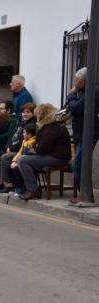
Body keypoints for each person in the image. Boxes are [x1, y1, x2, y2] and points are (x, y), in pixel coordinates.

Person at [17, 104, 71, 200]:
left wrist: (36, 147)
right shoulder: (49, 126)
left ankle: (34, 190)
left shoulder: (52, 127)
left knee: (22, 160)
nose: (37, 117)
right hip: (52, 156)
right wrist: (36, 146)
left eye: (37, 115)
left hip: (57, 158)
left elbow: (42, 148)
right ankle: (30, 189)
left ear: (42, 115)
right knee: (24, 156)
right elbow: (38, 144)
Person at [65, 67, 99, 204]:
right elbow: (68, 108)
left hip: (88, 133)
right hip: (80, 133)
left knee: (78, 164)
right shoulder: (82, 91)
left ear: (83, 80)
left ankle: (86, 194)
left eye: (76, 80)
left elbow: (76, 108)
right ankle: (85, 193)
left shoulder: (93, 91)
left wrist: (71, 96)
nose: (74, 83)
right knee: (79, 164)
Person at [0, 103, 37, 193]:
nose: (25, 114)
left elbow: (23, 141)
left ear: (33, 113)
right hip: (13, 148)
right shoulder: (21, 122)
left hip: (22, 151)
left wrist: (11, 149)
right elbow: (12, 136)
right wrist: (8, 146)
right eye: (23, 112)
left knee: (5, 157)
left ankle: (9, 184)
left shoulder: (32, 125)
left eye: (28, 112)